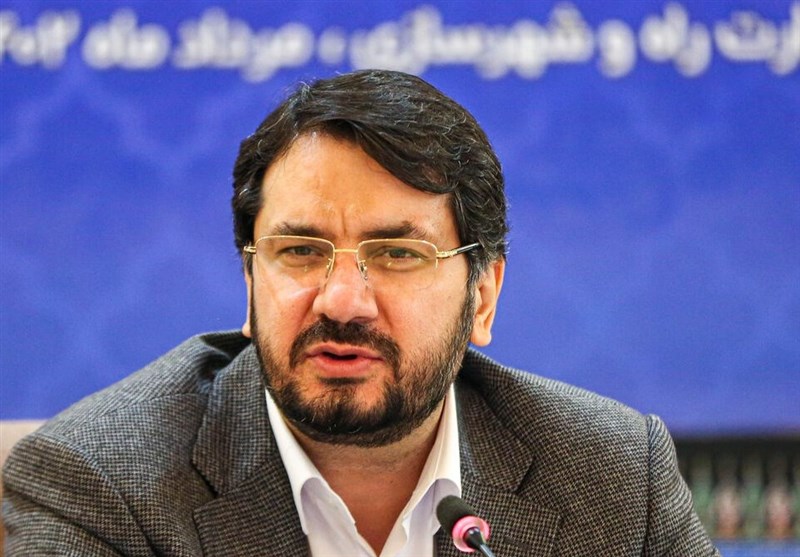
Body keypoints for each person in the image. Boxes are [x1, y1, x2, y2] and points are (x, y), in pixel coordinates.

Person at [2, 69, 719, 556]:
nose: (342, 301)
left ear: (483, 296)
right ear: (249, 280)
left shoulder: (614, 481)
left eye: (398, 254)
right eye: (300, 251)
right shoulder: (101, 486)